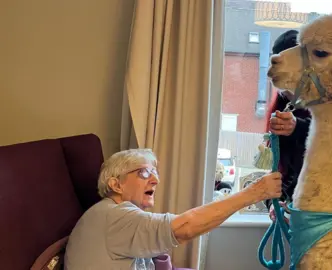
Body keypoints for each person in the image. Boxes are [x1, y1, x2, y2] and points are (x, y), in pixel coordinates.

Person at [65, 148, 281, 269]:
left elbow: (176, 237)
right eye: (144, 173)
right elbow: (186, 227)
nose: (155, 180)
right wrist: (255, 192)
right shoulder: (115, 216)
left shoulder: (111, 215)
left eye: (155, 173)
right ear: (116, 184)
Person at [264, 29, 312, 223]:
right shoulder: (281, 109)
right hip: (297, 212)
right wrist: (274, 204)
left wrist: (298, 128)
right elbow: (280, 169)